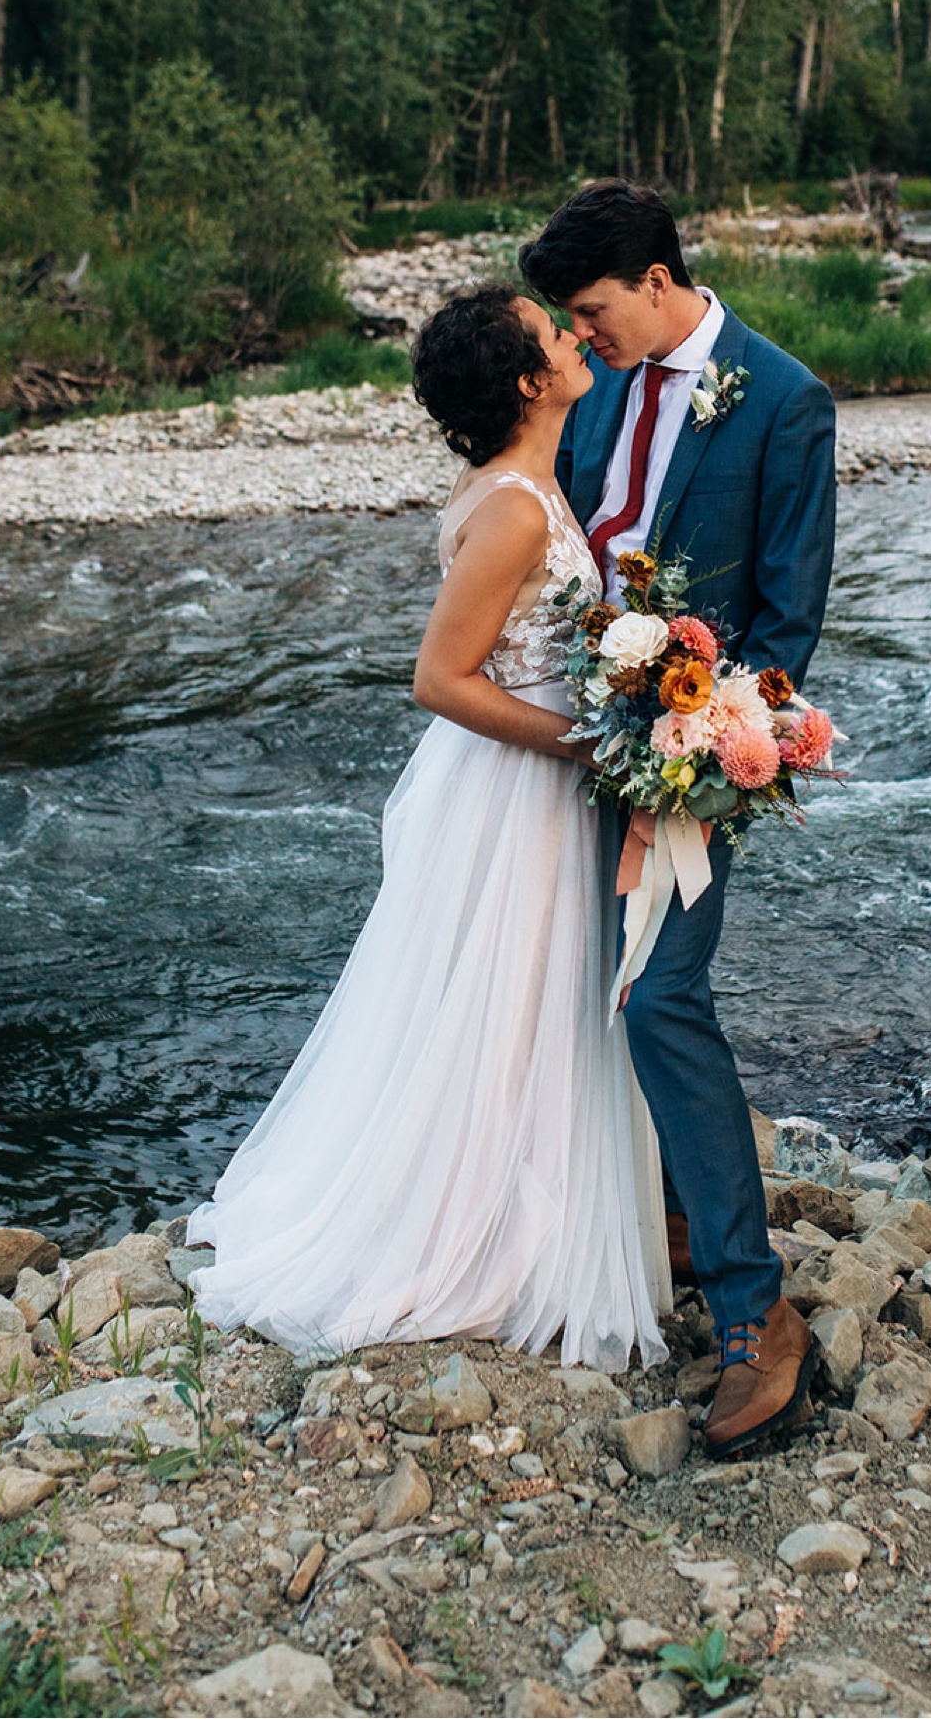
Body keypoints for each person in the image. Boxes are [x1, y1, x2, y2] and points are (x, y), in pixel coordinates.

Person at [187, 284, 670, 1371]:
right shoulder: (511, 510)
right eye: (556, 332)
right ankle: (473, 1234)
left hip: (523, 778)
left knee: (514, 1001)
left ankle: (510, 1203)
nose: (573, 335)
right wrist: (585, 743)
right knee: (503, 1000)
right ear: (528, 381)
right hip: (515, 786)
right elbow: (439, 679)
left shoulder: (531, 488)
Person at [519, 178, 837, 1459]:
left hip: (699, 748)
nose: (583, 337)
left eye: (593, 311)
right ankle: (664, 1219)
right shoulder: (600, 382)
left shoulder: (786, 401)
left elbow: (787, 622)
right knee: (576, 981)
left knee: (660, 999)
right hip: (570, 738)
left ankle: (761, 1316)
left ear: (657, 282)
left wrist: (695, 745)